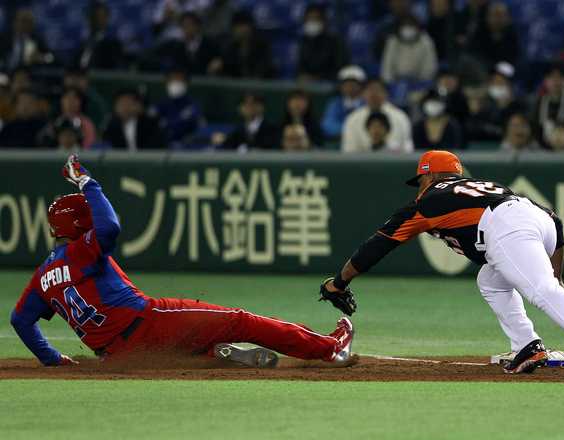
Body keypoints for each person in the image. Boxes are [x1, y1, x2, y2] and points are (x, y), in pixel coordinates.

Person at [10, 155, 354, 368]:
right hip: (149, 322)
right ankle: (329, 350)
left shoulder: (43, 275)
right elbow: (110, 226)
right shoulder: (83, 249)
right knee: (240, 320)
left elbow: (20, 320)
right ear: (81, 223)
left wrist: (51, 359)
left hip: (118, 354)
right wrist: (88, 182)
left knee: (193, 341)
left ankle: (216, 356)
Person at [319, 150, 564, 378]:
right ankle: (527, 347)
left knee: (539, 288)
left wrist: (339, 282)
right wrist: (557, 273)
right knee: (491, 280)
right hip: (534, 216)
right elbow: (554, 221)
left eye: (420, 179)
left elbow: (376, 247)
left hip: (504, 226)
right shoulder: (482, 186)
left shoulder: (425, 203)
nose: (419, 186)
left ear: (430, 177)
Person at [341, 78, 413, 153]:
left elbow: (407, 150)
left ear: (386, 93)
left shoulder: (400, 117)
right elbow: (349, 151)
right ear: (363, 94)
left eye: (378, 90)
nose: (374, 94)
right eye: (370, 90)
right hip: (361, 163)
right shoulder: (352, 119)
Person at [154, 68, 205, 148]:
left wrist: (167, 124)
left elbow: (186, 127)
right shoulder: (161, 103)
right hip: (161, 145)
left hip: (186, 146)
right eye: (172, 79)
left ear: (186, 83)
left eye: (179, 80)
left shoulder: (192, 105)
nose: (175, 83)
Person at [297, 4, 349, 81]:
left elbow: (341, 69)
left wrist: (317, 78)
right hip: (308, 85)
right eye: (309, 19)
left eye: (316, 19)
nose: (312, 22)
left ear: (324, 21)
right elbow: (301, 67)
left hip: (330, 84)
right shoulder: (304, 41)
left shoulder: (335, 42)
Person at [381, 15, 438, 83]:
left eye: (411, 26)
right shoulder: (392, 41)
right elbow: (386, 68)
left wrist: (421, 81)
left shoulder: (426, 41)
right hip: (395, 83)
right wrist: (391, 83)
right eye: (405, 26)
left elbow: (430, 67)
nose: (408, 29)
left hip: (420, 82)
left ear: (417, 27)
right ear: (399, 28)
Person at [221, 10, 275, 78]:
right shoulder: (230, 47)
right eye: (235, 27)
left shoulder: (262, 46)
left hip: (258, 86)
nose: (238, 30)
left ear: (250, 27)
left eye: (241, 26)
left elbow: (265, 69)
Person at [468, 2, 518, 68]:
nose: (498, 20)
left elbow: (514, 60)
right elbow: (475, 57)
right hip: (482, 72)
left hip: (505, 74)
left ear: (509, 18)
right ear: (487, 17)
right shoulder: (479, 34)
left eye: (501, 15)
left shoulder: (512, 36)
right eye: (495, 15)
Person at [75, 1, 124, 70]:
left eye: (100, 17)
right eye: (93, 16)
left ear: (107, 19)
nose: (96, 20)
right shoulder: (83, 44)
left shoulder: (113, 45)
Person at [321, 65, 366, 139]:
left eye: (353, 83)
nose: (350, 87)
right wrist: (348, 131)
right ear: (341, 86)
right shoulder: (335, 103)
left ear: (361, 86)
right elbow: (328, 124)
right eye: (346, 83)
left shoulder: (366, 103)